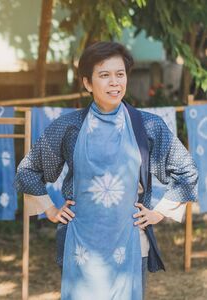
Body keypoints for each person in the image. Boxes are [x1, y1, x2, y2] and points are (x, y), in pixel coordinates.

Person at [16, 41, 198, 300]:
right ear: (87, 83)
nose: (114, 82)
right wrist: (51, 209)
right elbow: (29, 169)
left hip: (131, 241)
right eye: (104, 75)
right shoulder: (68, 127)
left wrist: (159, 213)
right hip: (80, 243)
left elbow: (186, 171)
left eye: (120, 74)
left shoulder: (147, 126)